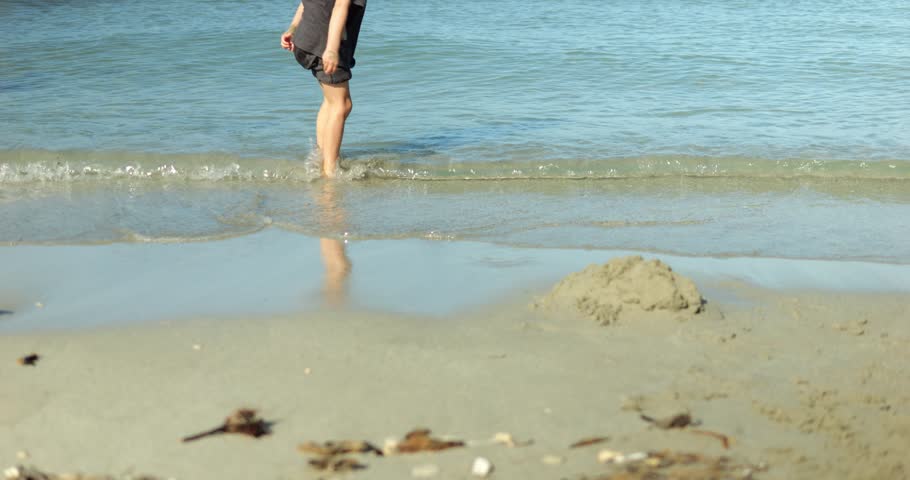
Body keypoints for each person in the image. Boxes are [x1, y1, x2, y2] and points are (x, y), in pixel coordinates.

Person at [281, 0, 367, 178]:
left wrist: (293, 28)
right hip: (324, 43)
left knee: (331, 102)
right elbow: (340, 6)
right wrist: (332, 49)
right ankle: (330, 171)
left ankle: (321, 157)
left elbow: (305, 3)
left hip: (307, 40)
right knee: (342, 104)